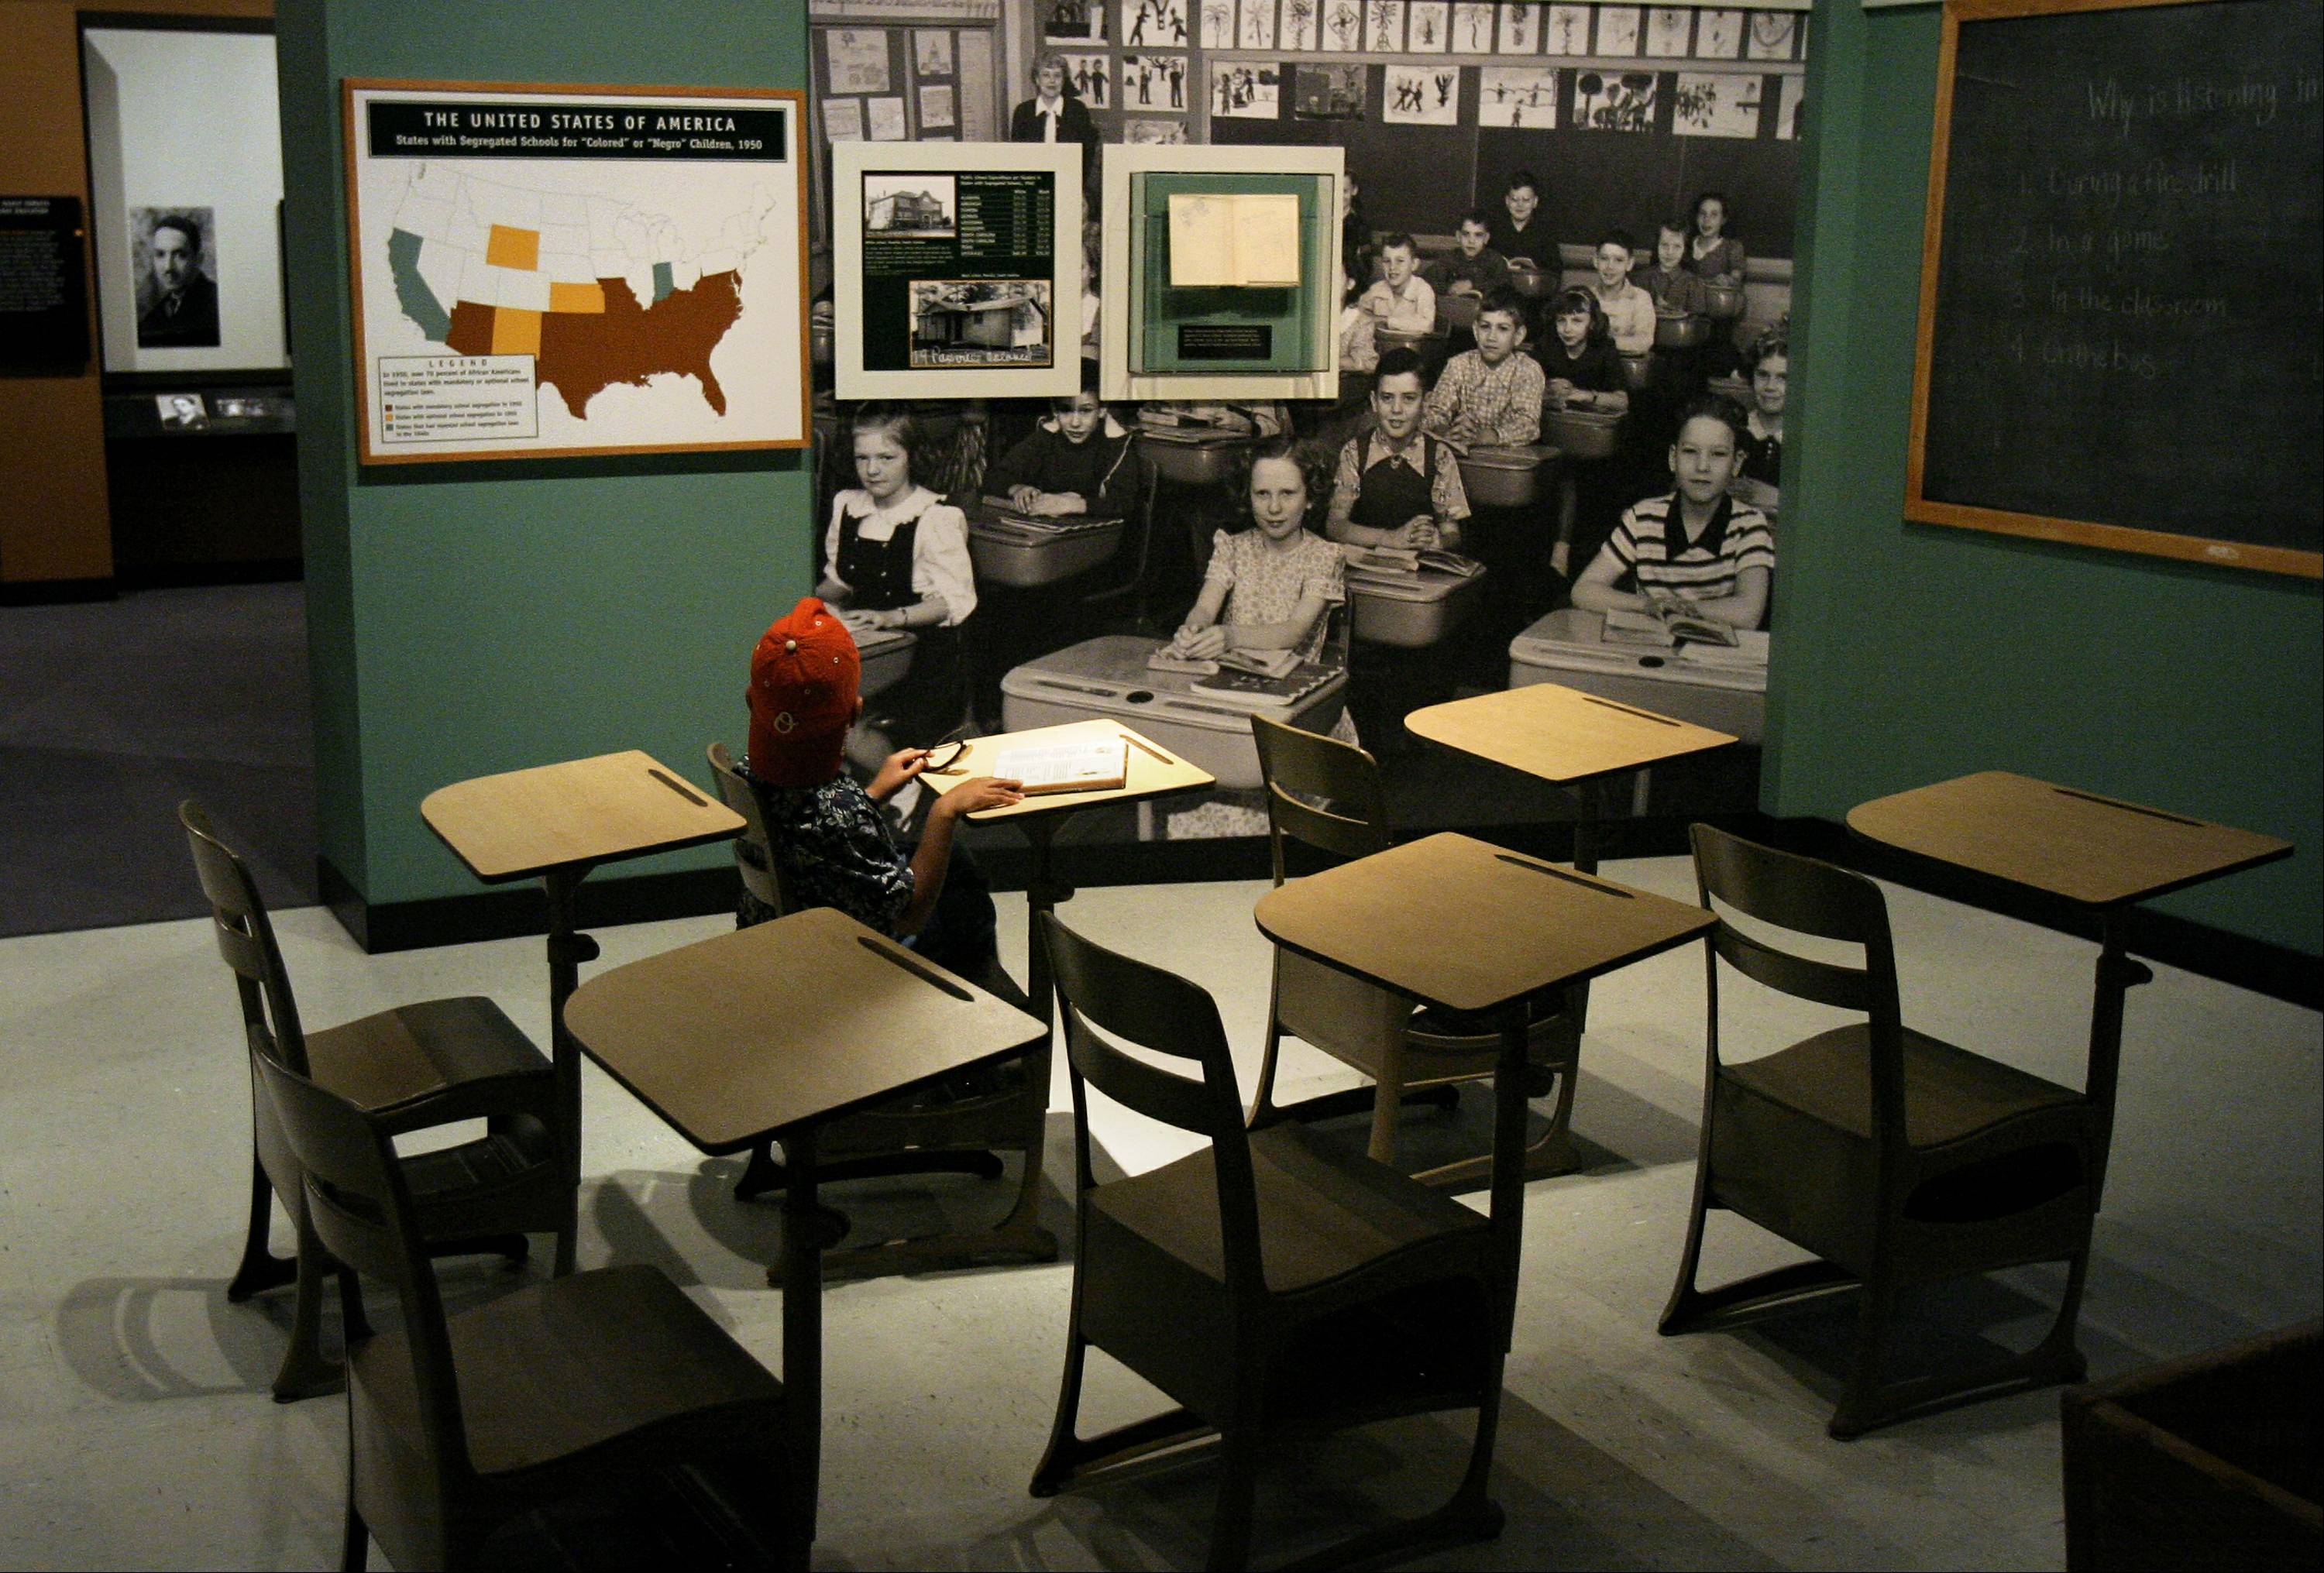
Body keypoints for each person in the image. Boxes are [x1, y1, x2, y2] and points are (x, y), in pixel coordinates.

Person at [740, 596, 1023, 979]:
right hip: (850, 956)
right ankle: (980, 996)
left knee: (950, 861)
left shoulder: (748, 774)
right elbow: (909, 916)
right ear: (855, 713)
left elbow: (814, 836)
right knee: (961, 893)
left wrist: (873, 792)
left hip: (783, 930)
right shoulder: (843, 814)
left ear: (750, 700)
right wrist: (945, 811)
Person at [816, 405, 978, 769]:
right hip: (872, 651)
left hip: (922, 661)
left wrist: (890, 618)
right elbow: (840, 580)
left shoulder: (937, 518)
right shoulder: (847, 505)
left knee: (841, 725)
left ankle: (905, 795)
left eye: (887, 457)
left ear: (911, 456)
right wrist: (808, 605)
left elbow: (952, 602)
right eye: (863, 458)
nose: (872, 470)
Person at [1569, 394, 1772, 631]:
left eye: (1718, 454)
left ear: (1737, 463)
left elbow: (1749, 612)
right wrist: (1647, 604)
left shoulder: (1749, 524)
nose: (1702, 466)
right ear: (1672, 458)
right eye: (1690, 452)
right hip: (1652, 655)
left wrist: (1677, 608)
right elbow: (1583, 591)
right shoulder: (1643, 517)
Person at [1169, 435, 1348, 673]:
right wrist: (1192, 631)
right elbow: (1204, 608)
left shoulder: (1324, 555)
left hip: (1293, 685)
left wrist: (1231, 636)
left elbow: (1293, 631)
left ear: (1310, 498)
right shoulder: (1232, 546)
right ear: (1248, 495)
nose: (1274, 508)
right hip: (1229, 677)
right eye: (1262, 494)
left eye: (1287, 493)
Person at [1326, 347, 1468, 552]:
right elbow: (1335, 527)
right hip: (1365, 564)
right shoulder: (1355, 452)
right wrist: (1390, 538)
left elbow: (1451, 532)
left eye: (1409, 398)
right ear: (1374, 402)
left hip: (1417, 568)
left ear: (1426, 403)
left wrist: (1439, 542)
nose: (1397, 409)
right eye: (1387, 398)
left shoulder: (1439, 456)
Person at [1534, 287, 1629, 579]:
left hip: (1593, 441)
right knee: (1562, 473)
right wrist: (1546, 393)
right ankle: (1557, 551)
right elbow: (1526, 388)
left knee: (1579, 477)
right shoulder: (1545, 346)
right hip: (1552, 436)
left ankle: (1573, 553)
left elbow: (1622, 400)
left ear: (1592, 322)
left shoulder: (1605, 350)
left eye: (1576, 321)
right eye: (1562, 321)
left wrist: (1583, 395)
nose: (1567, 329)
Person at [987, 362, 1145, 520]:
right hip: (1048, 530)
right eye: (1065, 410)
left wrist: (1073, 505)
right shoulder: (1046, 436)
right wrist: (1017, 489)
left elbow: (1126, 504)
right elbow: (996, 476)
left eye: (1086, 411)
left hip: (1097, 535)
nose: (1075, 423)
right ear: (1055, 410)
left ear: (1102, 409)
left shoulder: (1116, 445)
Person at [1422, 287, 1542, 449]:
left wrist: (1487, 436)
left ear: (1519, 335)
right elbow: (1435, 411)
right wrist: (1445, 430)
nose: (1491, 337)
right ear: (1475, 330)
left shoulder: (1527, 370)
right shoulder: (1459, 364)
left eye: (1503, 329)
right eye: (1485, 327)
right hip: (1458, 454)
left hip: (1505, 459)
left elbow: (1527, 425)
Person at [1009, 51, 1102, 185]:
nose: (1052, 81)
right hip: (1033, 185)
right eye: (1046, 75)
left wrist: (1081, 191)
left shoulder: (1078, 110)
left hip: (1071, 183)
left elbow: (1088, 156)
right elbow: (1017, 156)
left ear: (1063, 80)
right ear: (1037, 79)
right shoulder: (1023, 112)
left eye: (1057, 76)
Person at [137, 213, 220, 349]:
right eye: (160, 255)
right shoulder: (152, 318)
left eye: (180, 255)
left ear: (198, 260)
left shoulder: (217, 305)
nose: (168, 267)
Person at [1731, 333, 1786, 514]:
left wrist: (1776, 497)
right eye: (1763, 375)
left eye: (1783, 378)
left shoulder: (1809, 440)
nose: (1770, 386)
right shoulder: (1734, 431)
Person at [1588, 229, 1656, 356]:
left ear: (1629, 264)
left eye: (1619, 260)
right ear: (1595, 261)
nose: (1610, 266)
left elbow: (1644, 341)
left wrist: (1600, 342)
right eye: (1604, 259)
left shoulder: (1641, 298)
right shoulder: (1586, 296)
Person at [1359, 233, 1435, 335]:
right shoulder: (1376, 289)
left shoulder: (1423, 289)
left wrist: (1385, 320)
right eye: (1387, 261)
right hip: (1380, 346)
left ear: (1414, 264)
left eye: (1400, 261)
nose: (1392, 267)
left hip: (1410, 348)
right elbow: (1356, 314)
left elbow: (1427, 325)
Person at [1635, 218, 1711, 318]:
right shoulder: (1642, 279)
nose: (1669, 252)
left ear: (1685, 249)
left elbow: (1697, 324)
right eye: (1664, 245)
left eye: (1677, 247)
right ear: (1656, 245)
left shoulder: (1694, 283)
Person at [1427, 210, 1511, 300]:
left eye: (1478, 235)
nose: (1471, 241)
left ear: (1486, 238)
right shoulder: (1448, 258)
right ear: (1458, 236)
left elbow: (1505, 286)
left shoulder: (1495, 260)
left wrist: (1473, 285)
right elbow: (1427, 282)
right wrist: (1449, 288)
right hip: (1453, 310)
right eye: (1466, 234)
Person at [1486, 170, 1555, 269]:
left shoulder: (1545, 233)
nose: (1520, 205)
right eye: (1514, 200)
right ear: (1507, 201)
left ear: (1535, 202)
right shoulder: (1494, 230)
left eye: (1526, 200)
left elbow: (1554, 271)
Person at [1685, 190, 1747, 287]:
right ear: (1696, 217)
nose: (1707, 220)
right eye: (1702, 213)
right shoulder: (1684, 244)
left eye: (1714, 215)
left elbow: (1737, 278)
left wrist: (1728, 280)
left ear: (1723, 219)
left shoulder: (1732, 248)